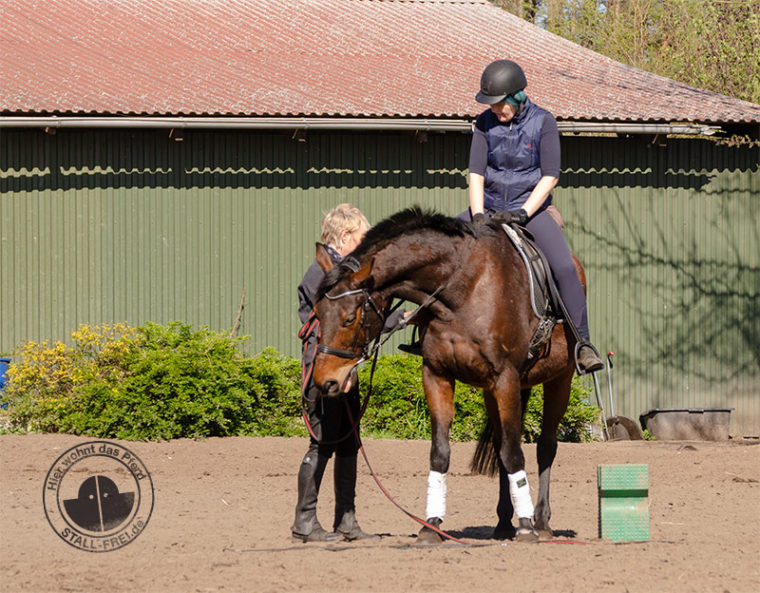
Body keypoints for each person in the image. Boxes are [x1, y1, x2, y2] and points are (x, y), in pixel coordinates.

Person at [465, 59, 604, 373]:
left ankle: (582, 343)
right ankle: (427, 329)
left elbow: (550, 175)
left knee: (566, 269)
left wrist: (524, 212)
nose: (495, 110)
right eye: (492, 105)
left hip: (531, 211)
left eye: (499, 104)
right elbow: (476, 173)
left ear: (517, 97)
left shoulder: (544, 122)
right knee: (442, 245)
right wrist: (476, 215)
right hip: (487, 208)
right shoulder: (483, 124)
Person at [293, 203, 407, 542]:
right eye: (361, 238)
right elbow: (324, 327)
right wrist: (340, 369)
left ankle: (346, 521)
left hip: (344, 368)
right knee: (323, 443)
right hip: (326, 370)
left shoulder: (343, 272)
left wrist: (399, 320)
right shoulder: (323, 273)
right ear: (344, 237)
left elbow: (355, 321)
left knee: (347, 444)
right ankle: (305, 523)